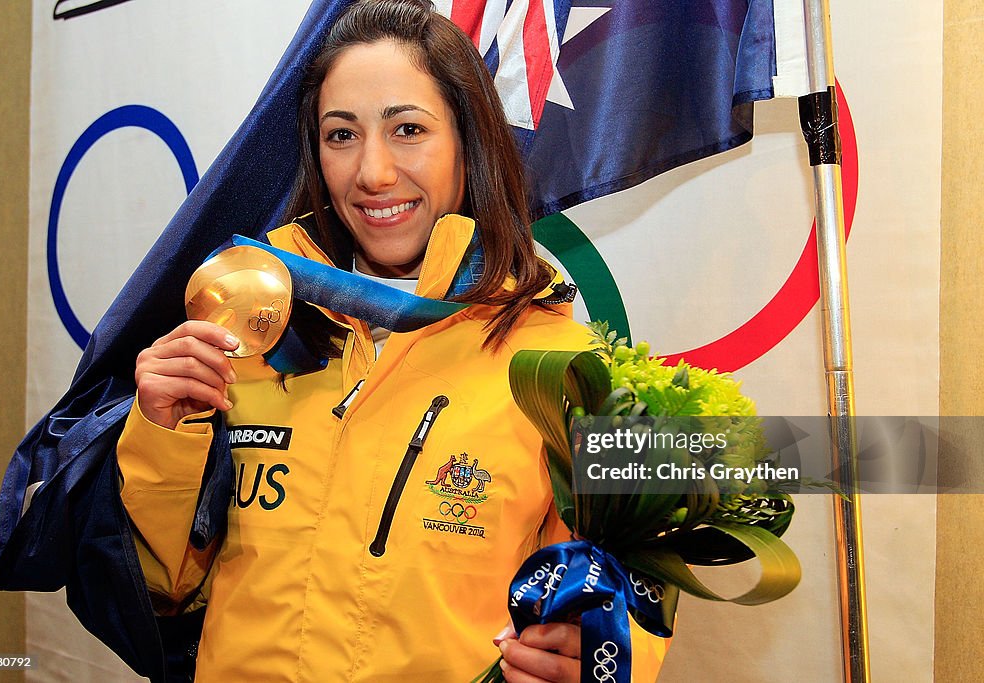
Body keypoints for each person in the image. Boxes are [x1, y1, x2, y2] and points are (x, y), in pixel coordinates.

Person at [108, 1, 668, 681]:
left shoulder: (560, 366)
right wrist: (163, 432)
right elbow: (165, 588)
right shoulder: (251, 334)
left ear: (470, 142)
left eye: (408, 129)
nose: (372, 172)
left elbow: (625, 598)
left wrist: (597, 656)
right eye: (341, 135)